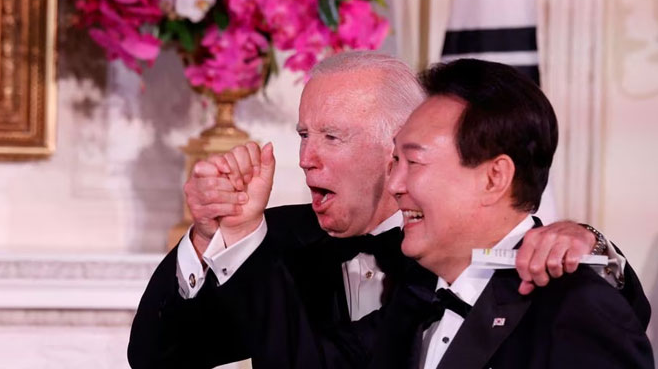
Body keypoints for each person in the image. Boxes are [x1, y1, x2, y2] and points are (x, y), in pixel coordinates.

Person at [127, 52, 645, 368]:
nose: (306, 159)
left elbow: (600, 318)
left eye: (332, 136)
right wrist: (213, 239)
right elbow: (158, 357)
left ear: (394, 143)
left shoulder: (525, 277)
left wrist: (594, 248)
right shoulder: (270, 242)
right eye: (304, 135)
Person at [374, 58, 653, 368]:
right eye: (395, 161)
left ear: (494, 178)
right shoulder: (407, 296)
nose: (394, 185)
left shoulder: (577, 307)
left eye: (413, 162)